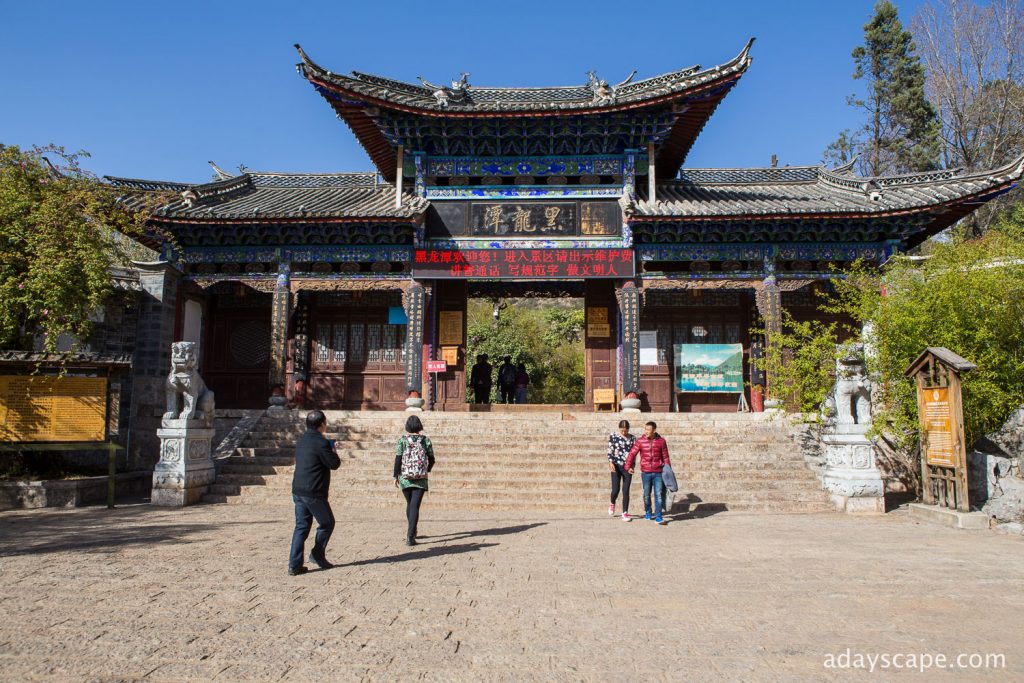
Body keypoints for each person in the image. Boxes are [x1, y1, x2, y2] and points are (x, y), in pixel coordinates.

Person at [289, 410, 341, 575]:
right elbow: (334, 464)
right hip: (313, 491)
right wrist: (333, 449)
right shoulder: (322, 442)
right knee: (327, 523)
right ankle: (317, 554)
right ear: (322, 424)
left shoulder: (301, 440)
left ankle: (294, 565)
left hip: (298, 489)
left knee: (301, 527)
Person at [393, 415, 435, 546]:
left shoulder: (402, 441)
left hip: (405, 477)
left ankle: (412, 530)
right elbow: (432, 458)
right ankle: (410, 536)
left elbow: (398, 459)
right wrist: (426, 469)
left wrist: (396, 475)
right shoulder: (425, 440)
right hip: (420, 478)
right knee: (414, 506)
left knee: (410, 504)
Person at [625, 420, 671, 525]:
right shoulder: (640, 441)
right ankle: (648, 511)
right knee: (646, 494)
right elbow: (632, 453)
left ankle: (659, 516)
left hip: (658, 472)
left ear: (654, 430)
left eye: (648, 429)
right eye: (645, 429)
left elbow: (666, 457)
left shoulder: (661, 441)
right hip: (645, 472)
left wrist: (668, 471)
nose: (646, 431)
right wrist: (628, 466)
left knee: (658, 494)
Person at [607, 419, 636, 522]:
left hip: (627, 467)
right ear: (619, 429)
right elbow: (610, 449)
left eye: (626, 430)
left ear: (628, 429)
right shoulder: (613, 436)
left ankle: (625, 513)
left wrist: (632, 466)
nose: (624, 432)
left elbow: (634, 453)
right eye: (622, 430)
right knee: (615, 489)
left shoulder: (632, 438)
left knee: (626, 490)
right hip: (616, 466)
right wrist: (610, 462)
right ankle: (612, 503)